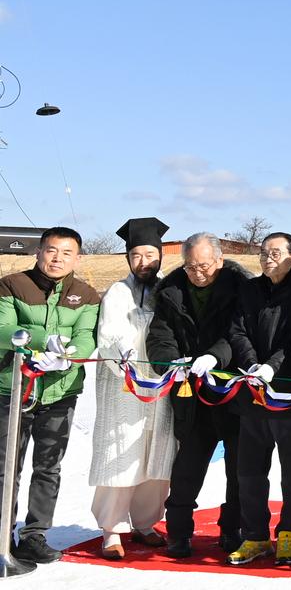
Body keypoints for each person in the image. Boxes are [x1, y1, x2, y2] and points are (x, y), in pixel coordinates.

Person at [1, 226, 101, 567]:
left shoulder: (86, 294)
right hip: (13, 390)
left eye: (66, 253)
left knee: (48, 467)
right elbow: (3, 329)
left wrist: (70, 352)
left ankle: (34, 535)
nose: (57, 258)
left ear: (78, 257)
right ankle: (3, 536)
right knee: (5, 467)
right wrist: (46, 342)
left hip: (61, 391)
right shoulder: (12, 285)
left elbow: (87, 335)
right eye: (51, 251)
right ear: (39, 252)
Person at [146, 231, 249, 560]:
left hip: (232, 390)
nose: (197, 272)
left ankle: (232, 528)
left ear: (219, 260)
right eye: (190, 266)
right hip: (190, 391)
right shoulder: (171, 292)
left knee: (238, 466)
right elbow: (160, 334)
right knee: (188, 465)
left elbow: (241, 331)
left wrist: (215, 356)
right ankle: (178, 531)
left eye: (204, 266)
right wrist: (169, 361)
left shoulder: (241, 289)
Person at [222, 232, 291, 566]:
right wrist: (252, 365)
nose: (267, 259)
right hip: (251, 393)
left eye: (275, 253)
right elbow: (236, 331)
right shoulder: (248, 289)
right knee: (248, 470)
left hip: (290, 393)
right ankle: (255, 535)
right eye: (264, 253)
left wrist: (272, 366)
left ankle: (289, 534)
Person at [88, 218, 175, 560]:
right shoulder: (117, 292)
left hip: (163, 388)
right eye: (137, 255)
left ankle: (145, 522)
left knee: (157, 456)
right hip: (124, 388)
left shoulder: (169, 290)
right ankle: (112, 529)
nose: (144, 262)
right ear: (127, 258)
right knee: (119, 454)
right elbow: (108, 337)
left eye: (150, 255)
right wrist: (124, 366)